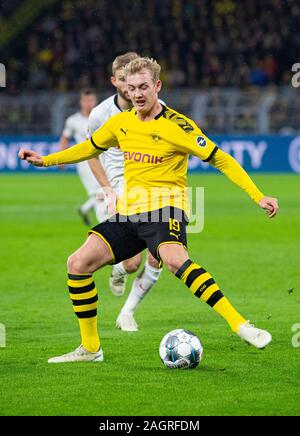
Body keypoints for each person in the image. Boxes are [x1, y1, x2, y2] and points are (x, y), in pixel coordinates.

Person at [19, 57, 279, 364]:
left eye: (144, 87)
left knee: (173, 260)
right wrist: (46, 159)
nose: (138, 94)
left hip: (165, 208)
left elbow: (220, 158)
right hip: (130, 211)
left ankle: (240, 324)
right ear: (125, 90)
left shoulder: (177, 125)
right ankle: (90, 349)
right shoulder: (121, 122)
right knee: (77, 263)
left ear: (157, 86)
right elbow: (90, 148)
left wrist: (257, 195)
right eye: (132, 89)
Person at [87, 52, 162, 332]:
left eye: (134, 83)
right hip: (118, 190)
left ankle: (127, 313)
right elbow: (91, 153)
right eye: (123, 81)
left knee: (159, 255)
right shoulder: (100, 115)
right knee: (131, 264)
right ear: (116, 82)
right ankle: (119, 270)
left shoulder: (157, 108)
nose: (129, 88)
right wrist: (106, 189)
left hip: (151, 189)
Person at [59, 89, 98, 226]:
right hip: (85, 163)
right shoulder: (73, 121)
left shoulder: (101, 117)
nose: (89, 104)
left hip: (103, 159)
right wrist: (62, 158)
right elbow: (65, 138)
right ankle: (104, 226)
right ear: (81, 102)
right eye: (86, 101)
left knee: (105, 191)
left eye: (91, 100)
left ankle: (85, 209)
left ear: (95, 101)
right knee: (100, 193)